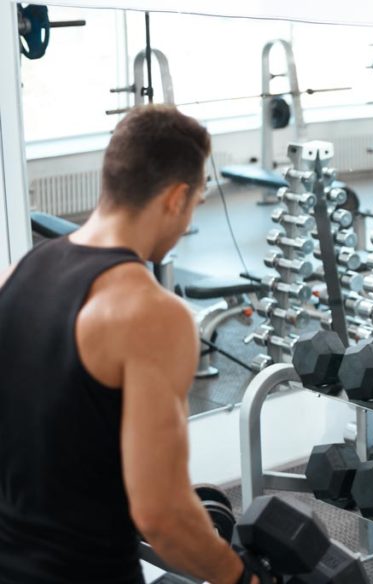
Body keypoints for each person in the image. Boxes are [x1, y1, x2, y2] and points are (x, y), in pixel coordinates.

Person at [0, 105, 247, 583]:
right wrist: (243, 578)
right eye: (195, 204)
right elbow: (162, 515)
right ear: (176, 198)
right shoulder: (152, 314)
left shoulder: (15, 276)